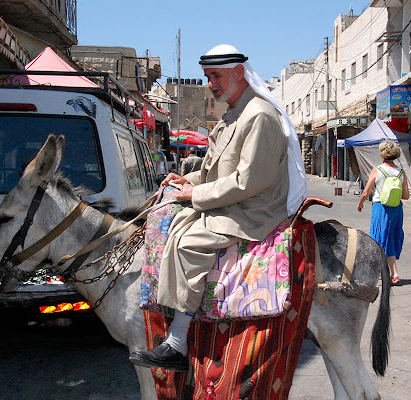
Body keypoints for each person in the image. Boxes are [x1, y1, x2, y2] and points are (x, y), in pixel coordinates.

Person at [129, 44, 308, 371]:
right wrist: (186, 180)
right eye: (208, 76)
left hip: (254, 208)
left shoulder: (260, 116)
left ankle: (177, 342)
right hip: (236, 199)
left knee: (188, 242)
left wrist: (194, 196)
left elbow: (248, 181)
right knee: (168, 220)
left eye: (217, 75)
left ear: (239, 73)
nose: (211, 83)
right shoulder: (232, 114)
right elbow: (216, 169)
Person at [357, 141, 409, 284]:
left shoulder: (377, 170)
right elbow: (406, 196)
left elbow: (366, 191)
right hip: (397, 209)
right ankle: (384, 271)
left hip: (381, 207)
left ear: (383, 154)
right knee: (390, 237)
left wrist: (360, 203)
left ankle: (394, 273)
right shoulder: (401, 172)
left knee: (379, 239)